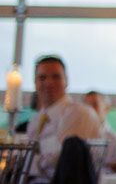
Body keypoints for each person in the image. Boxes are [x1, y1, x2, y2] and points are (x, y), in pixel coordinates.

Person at [26, 55, 102, 183]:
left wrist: (29, 162)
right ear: (35, 83)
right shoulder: (35, 121)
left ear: (66, 81)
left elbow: (62, 160)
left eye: (56, 77)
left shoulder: (79, 112)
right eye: (42, 78)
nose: (49, 83)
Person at [83, 90, 116, 167]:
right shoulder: (77, 134)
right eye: (86, 105)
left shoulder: (115, 139)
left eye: (95, 105)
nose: (90, 109)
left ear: (107, 108)